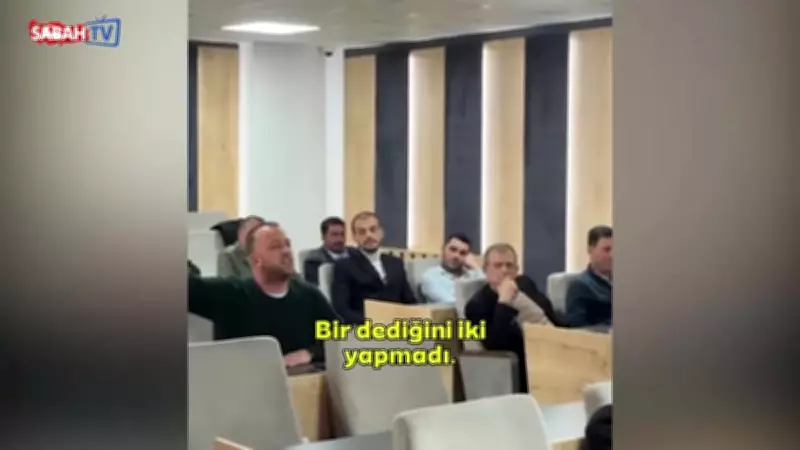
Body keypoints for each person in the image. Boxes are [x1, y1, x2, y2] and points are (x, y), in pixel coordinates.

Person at [188, 222, 340, 368]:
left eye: (287, 244)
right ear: (256, 260)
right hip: (245, 381)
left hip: (300, 381)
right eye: (275, 246)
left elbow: (340, 337)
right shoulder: (231, 294)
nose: (286, 251)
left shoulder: (308, 295)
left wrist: (310, 353)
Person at [464, 243, 564, 392]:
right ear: (485, 270)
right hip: (523, 364)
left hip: (552, 346)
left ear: (516, 269)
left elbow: (550, 316)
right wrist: (504, 303)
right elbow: (495, 345)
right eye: (498, 266)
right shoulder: (477, 306)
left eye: (509, 265)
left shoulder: (526, 284)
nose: (504, 270)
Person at [330, 211, 416, 324]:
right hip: (365, 326)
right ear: (354, 237)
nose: (368, 235)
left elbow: (409, 301)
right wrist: (374, 322)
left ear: (381, 232)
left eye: (373, 229)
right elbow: (342, 309)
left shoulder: (396, 263)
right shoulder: (344, 266)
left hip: (398, 324)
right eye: (362, 232)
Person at [565, 225, 613, 331]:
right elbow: (577, 329)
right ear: (590, 249)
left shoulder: (626, 283)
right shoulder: (580, 286)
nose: (612, 255)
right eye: (607, 250)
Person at [419, 233, 483, 304]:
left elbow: (491, 293)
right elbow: (452, 303)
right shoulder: (431, 276)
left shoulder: (472, 275)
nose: (456, 256)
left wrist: (475, 267)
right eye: (453, 250)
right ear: (443, 249)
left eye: (462, 253)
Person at [303, 216, 354, 285]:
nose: (340, 239)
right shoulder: (313, 260)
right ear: (323, 237)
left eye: (342, 234)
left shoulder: (355, 253)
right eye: (334, 235)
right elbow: (315, 287)